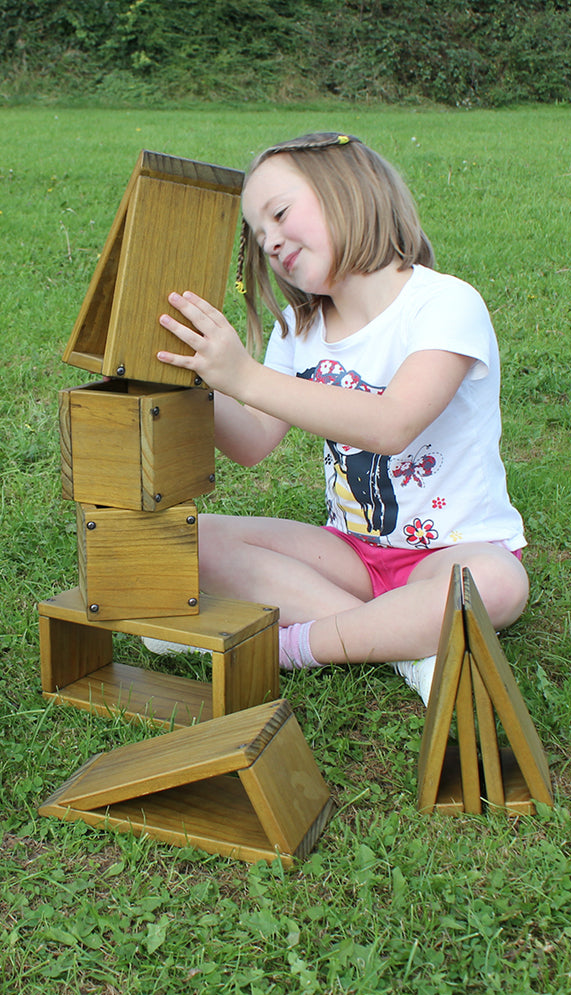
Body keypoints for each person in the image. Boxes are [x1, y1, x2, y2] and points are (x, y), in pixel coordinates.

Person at [152, 131, 528, 705]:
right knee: (189, 540)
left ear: (348, 190)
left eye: (279, 214)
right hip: (350, 553)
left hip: (452, 550)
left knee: (497, 584)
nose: (271, 242)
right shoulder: (299, 329)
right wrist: (195, 373)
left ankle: (296, 643)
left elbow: (393, 424)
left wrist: (246, 375)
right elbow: (252, 439)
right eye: (258, 235)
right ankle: (403, 642)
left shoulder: (444, 304)